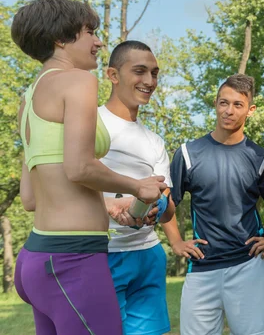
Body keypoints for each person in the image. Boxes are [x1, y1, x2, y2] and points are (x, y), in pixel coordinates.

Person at [12, 0, 165, 335]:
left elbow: (32, 197)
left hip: (37, 260)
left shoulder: (28, 99)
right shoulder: (78, 81)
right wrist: (138, 186)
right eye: (89, 32)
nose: (98, 42)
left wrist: (111, 204)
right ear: (60, 39)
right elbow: (79, 168)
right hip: (73, 261)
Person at [162, 74, 264, 335]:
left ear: (251, 110)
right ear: (215, 103)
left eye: (238, 105)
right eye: (223, 103)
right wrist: (176, 242)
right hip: (202, 266)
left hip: (247, 265)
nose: (228, 111)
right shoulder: (187, 153)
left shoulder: (261, 158)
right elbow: (166, 203)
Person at [99, 40, 176, 335]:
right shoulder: (89, 124)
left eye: (154, 73)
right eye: (140, 71)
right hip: (102, 255)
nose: (149, 81)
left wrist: (157, 206)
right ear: (113, 75)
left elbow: (167, 210)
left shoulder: (154, 141)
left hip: (148, 254)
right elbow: (67, 184)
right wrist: (110, 207)